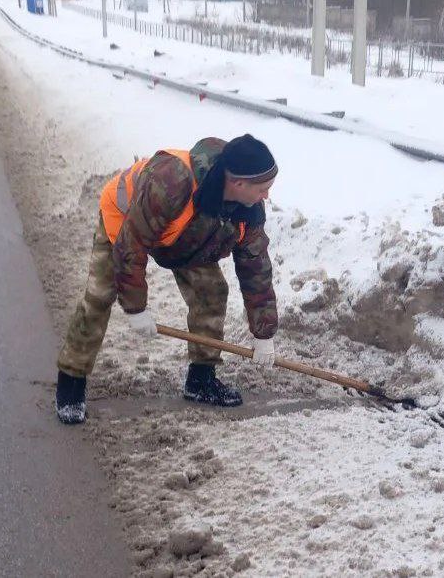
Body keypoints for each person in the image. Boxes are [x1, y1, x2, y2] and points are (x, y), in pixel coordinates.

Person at [55, 134, 279, 424]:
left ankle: (201, 379)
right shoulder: (171, 181)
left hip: (183, 234)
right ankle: (71, 383)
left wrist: (264, 333)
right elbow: (132, 245)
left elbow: (256, 267)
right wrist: (136, 307)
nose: (267, 197)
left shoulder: (249, 209)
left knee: (211, 291)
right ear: (238, 183)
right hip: (126, 222)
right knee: (99, 297)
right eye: (263, 189)